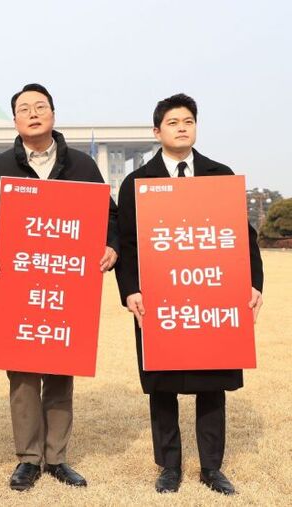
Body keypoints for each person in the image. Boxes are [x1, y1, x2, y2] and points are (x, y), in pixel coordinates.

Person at [115, 93, 264, 495]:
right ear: (156, 131)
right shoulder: (137, 182)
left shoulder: (219, 174)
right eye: (173, 122)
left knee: (212, 381)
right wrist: (130, 290)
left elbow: (242, 235)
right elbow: (127, 243)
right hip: (159, 300)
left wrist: (253, 283)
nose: (182, 128)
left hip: (210, 297)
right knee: (162, 382)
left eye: (188, 121)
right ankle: (169, 466)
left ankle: (212, 467)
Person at [0, 83, 119, 491]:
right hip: (19, 286)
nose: (33, 113)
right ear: (14, 120)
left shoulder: (82, 166)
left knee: (60, 372)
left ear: (53, 114)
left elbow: (110, 216)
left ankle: (56, 457)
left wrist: (110, 245)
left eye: (41, 107)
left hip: (66, 286)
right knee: (21, 374)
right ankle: (28, 458)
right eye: (25, 109)